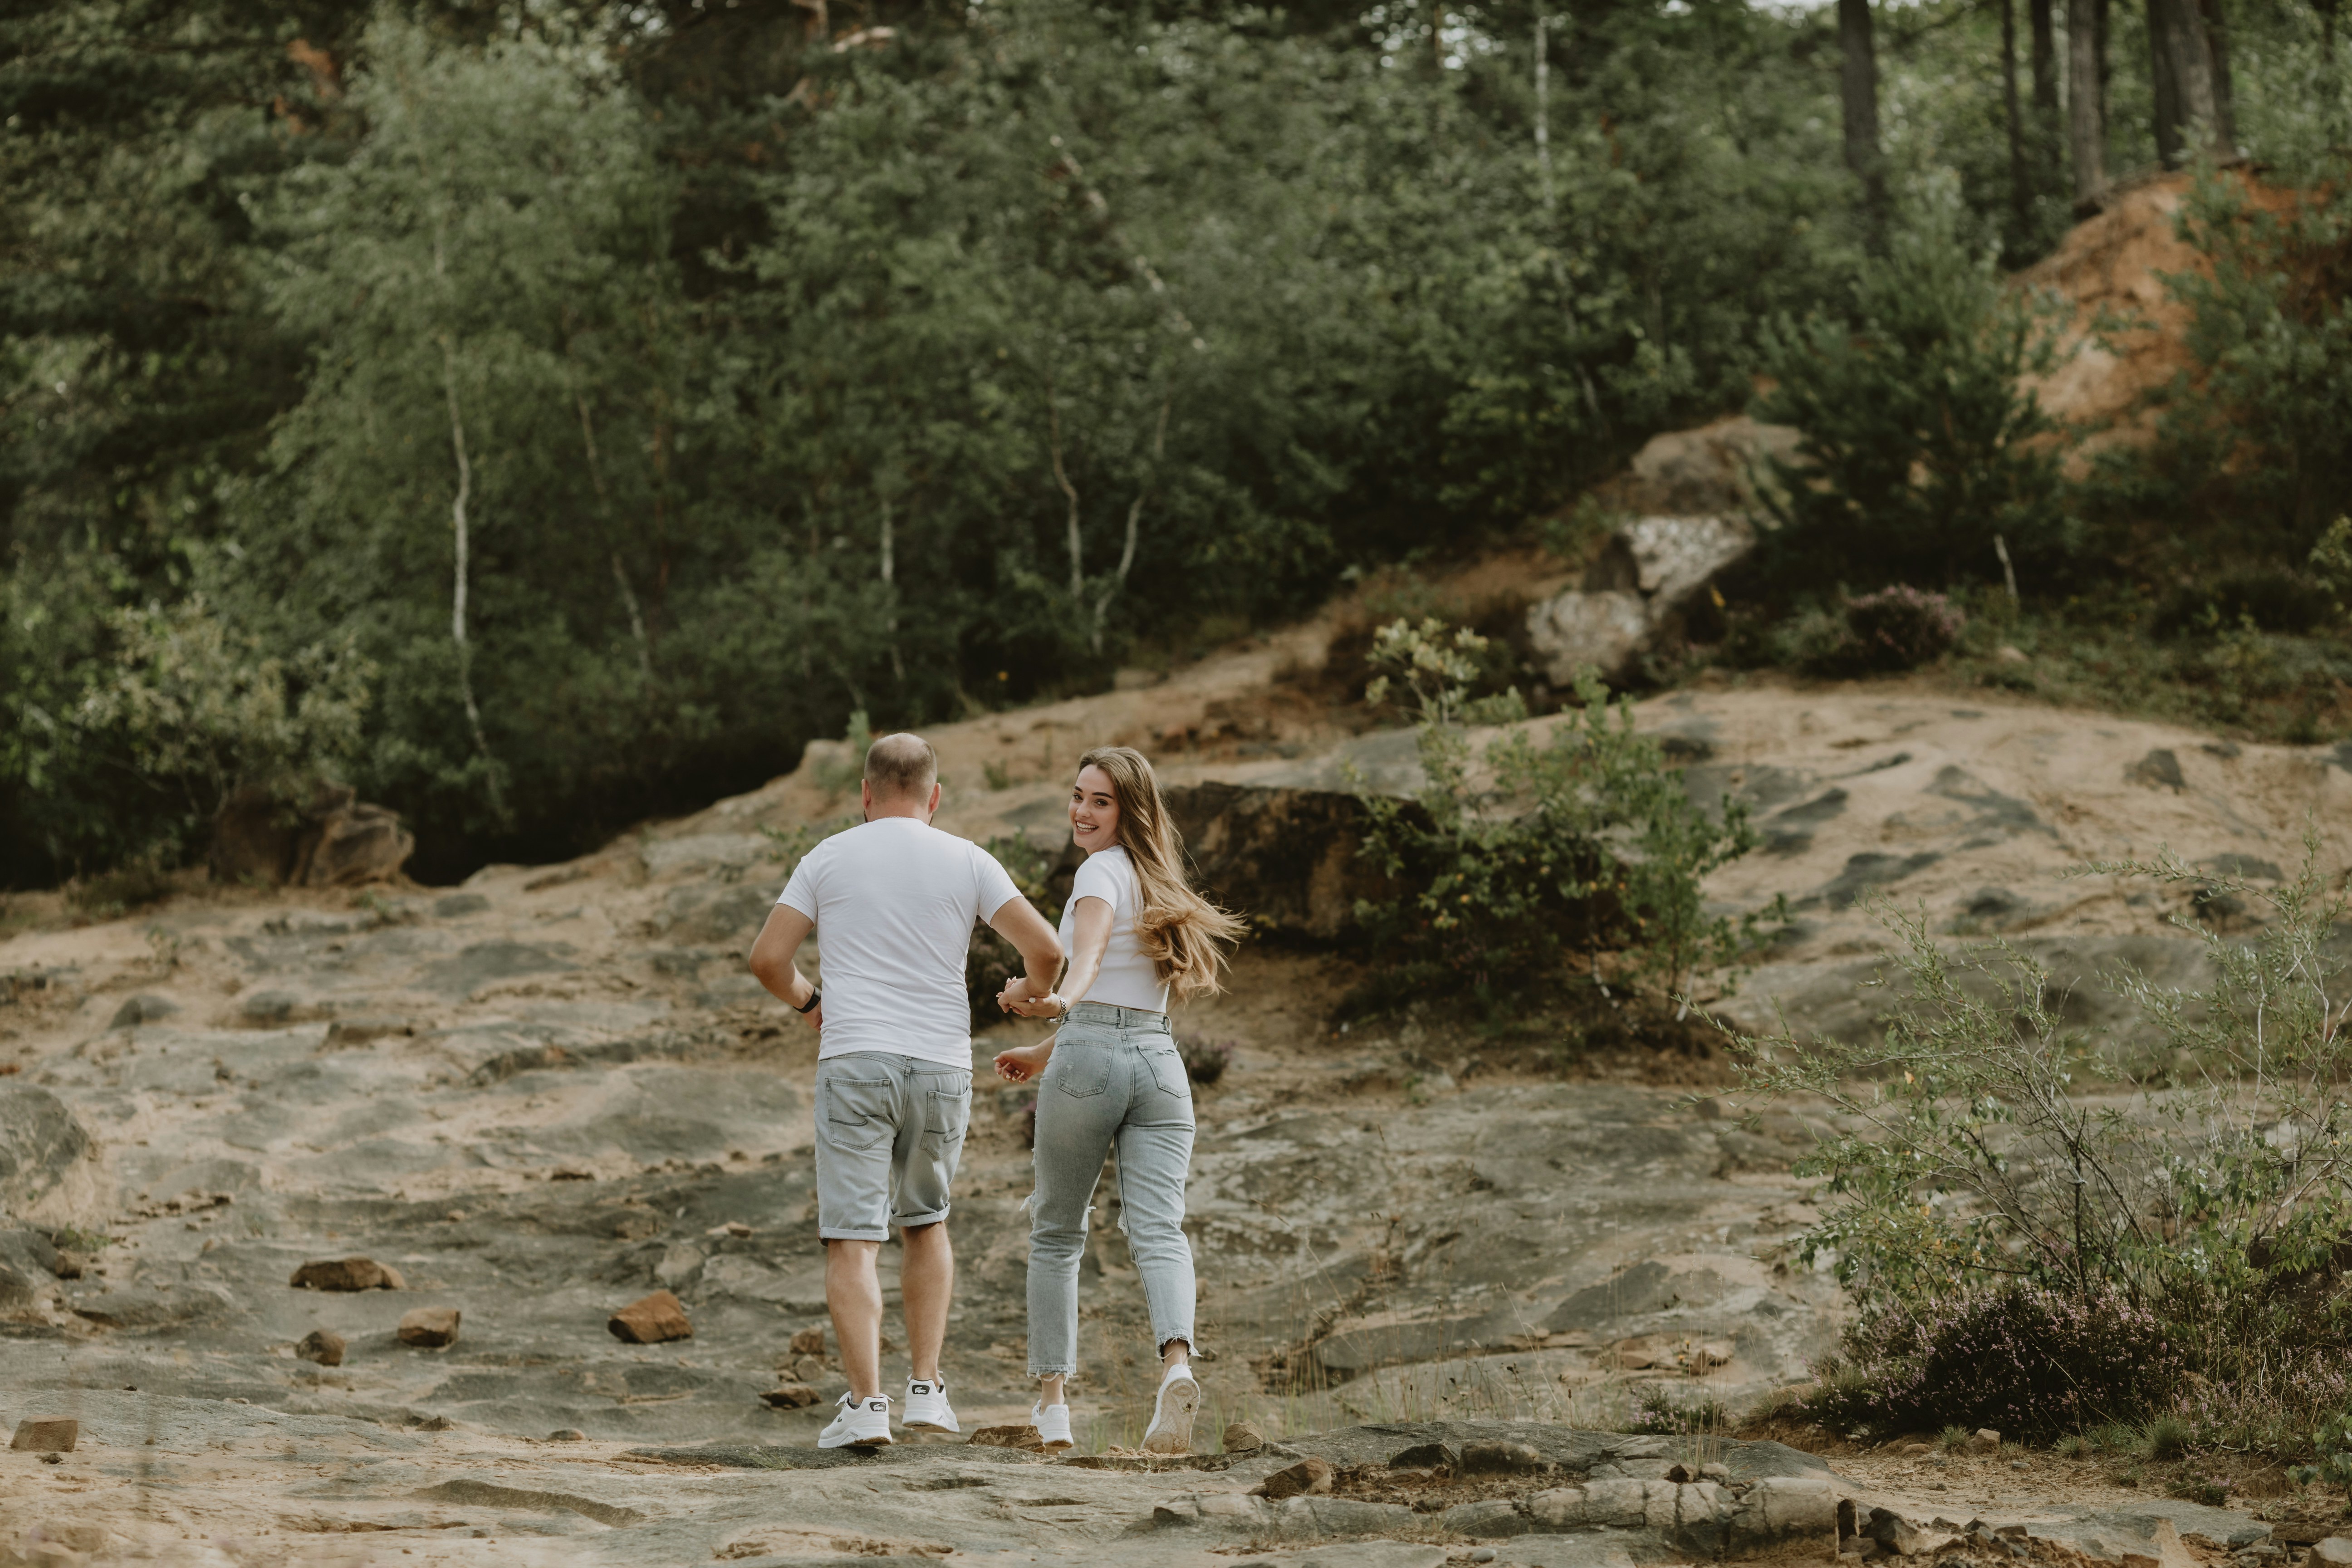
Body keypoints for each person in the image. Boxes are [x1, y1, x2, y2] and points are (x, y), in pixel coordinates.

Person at [749, 732, 1063, 1449]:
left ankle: (866, 1407)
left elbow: (769, 959)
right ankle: (926, 1392)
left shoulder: (827, 856)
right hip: (941, 1063)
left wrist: (810, 1003)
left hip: (857, 1056)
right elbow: (1047, 948)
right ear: (934, 796)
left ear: (864, 793)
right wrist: (1028, 996)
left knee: (853, 1239)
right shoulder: (967, 857)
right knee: (927, 1221)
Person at [993, 745, 1245, 1455]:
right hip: (1161, 1065)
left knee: (1057, 1232)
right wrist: (1044, 1047)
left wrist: (1049, 1001)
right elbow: (1130, 1003)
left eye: (1100, 801)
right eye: (1077, 796)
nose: (1081, 811)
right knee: (1160, 1230)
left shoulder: (1100, 872)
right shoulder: (1157, 878)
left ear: (1128, 811)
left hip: (1091, 1060)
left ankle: (1053, 1408)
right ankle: (1176, 1368)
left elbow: (1093, 960)